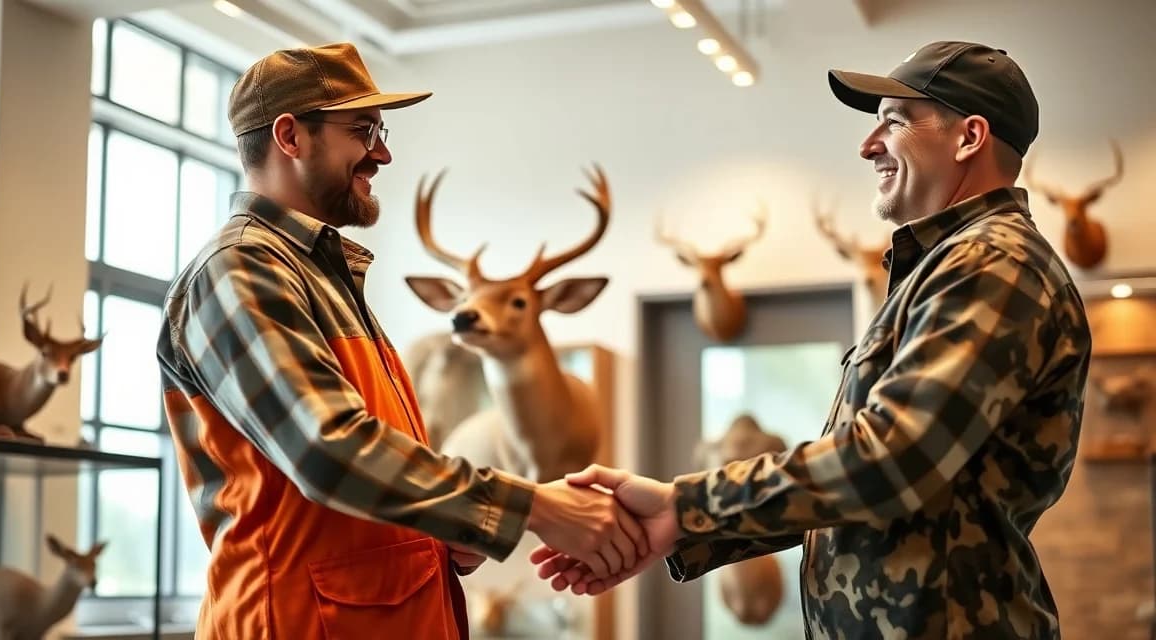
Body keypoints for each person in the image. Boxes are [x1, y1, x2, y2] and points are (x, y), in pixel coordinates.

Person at [532, 40, 1092, 639]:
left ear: (969, 137)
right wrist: (681, 523)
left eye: (893, 122)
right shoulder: (949, 267)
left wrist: (686, 506)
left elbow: (889, 459)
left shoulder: (992, 263)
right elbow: (865, 485)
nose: (866, 144)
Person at [155, 42, 646, 640]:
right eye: (364, 130)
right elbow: (329, 451)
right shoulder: (239, 271)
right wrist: (534, 508)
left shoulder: (322, 277)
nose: (382, 153)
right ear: (289, 137)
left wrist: (439, 532)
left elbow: (342, 495)